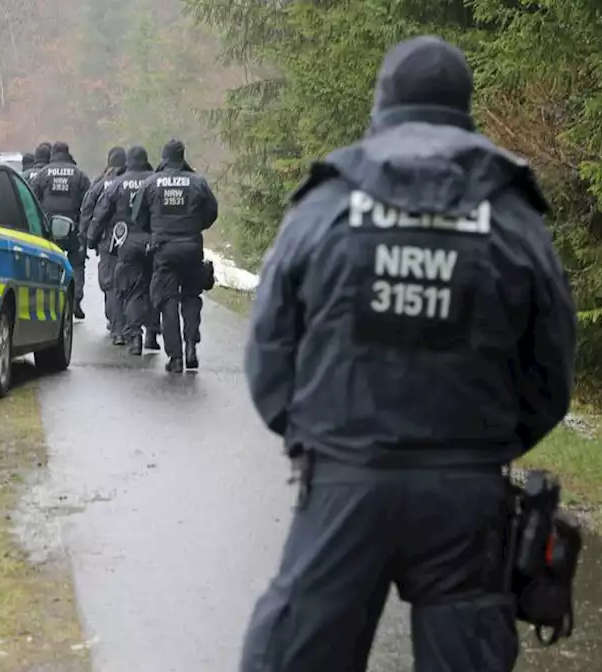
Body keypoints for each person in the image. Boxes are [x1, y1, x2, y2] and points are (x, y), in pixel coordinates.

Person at [238, 35, 577, 672]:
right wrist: (485, 445)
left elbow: (270, 349)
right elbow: (552, 367)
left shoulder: (328, 201)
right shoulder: (510, 210)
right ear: (464, 106)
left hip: (344, 479)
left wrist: (319, 440)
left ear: (382, 102)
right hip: (465, 495)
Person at [131, 139, 218, 373]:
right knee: (191, 297)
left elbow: (138, 216)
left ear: (164, 156)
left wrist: (156, 230)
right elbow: (212, 212)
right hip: (191, 247)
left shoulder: (151, 183)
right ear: (182, 156)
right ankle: (191, 346)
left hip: (164, 249)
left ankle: (176, 357)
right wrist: (194, 226)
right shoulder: (198, 182)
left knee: (167, 301)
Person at [93, 146, 157, 355]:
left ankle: (133, 334)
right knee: (151, 288)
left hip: (125, 242)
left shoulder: (117, 183)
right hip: (152, 242)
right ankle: (152, 333)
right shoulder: (156, 180)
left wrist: (92, 238)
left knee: (130, 289)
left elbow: (101, 212)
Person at [32, 142, 91, 319]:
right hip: (73, 227)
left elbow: (33, 200)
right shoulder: (79, 174)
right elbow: (88, 202)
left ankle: (48, 303)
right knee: (77, 264)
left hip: (48, 228)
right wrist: (84, 228)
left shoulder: (43, 174)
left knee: (47, 263)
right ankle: (75, 301)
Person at [82, 147, 128, 341]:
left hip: (108, 241)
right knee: (131, 283)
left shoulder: (100, 183)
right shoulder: (134, 181)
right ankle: (130, 326)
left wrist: (88, 237)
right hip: (133, 241)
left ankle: (116, 325)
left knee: (110, 284)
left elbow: (88, 209)